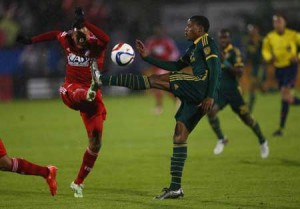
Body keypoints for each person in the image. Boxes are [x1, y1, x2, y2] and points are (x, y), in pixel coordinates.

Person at [92, 15, 221, 199]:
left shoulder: (207, 41)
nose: (186, 29)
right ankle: (175, 188)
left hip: (200, 87)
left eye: (189, 26)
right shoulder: (193, 48)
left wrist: (210, 95)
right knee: (179, 134)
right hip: (197, 96)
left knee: (154, 80)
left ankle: (102, 79)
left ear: (200, 29)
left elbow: (215, 67)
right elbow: (176, 65)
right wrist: (148, 58)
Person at [16, 8, 110, 198]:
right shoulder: (66, 38)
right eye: (76, 36)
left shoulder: (95, 44)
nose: (78, 40)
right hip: (71, 89)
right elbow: (53, 34)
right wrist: (31, 40)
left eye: (82, 36)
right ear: (72, 34)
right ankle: (88, 93)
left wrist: (86, 23)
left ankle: (78, 183)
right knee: (77, 92)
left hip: (92, 101)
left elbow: (106, 39)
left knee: (96, 142)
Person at [206, 29, 269, 159]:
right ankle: (221, 139)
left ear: (229, 39)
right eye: (221, 38)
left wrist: (226, 62)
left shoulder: (235, 52)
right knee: (210, 111)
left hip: (234, 92)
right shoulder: (215, 53)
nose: (223, 40)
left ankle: (263, 141)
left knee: (247, 119)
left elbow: (240, 72)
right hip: (221, 93)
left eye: (225, 38)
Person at [262, 14, 300, 137]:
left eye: (280, 21)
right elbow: (265, 50)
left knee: (285, 94)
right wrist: (269, 57)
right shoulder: (269, 37)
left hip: (290, 67)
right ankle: (281, 128)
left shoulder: (293, 35)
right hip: (278, 69)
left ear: (285, 23)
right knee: (286, 99)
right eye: (275, 22)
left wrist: (298, 57)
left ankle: (281, 128)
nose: (277, 24)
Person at [145, 25, 180, 115]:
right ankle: (177, 99)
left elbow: (175, 53)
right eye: (157, 32)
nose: (159, 34)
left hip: (165, 66)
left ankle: (159, 107)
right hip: (156, 67)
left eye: (160, 32)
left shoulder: (168, 42)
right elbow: (146, 53)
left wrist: (170, 61)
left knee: (158, 85)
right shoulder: (151, 42)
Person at [245, 24, 266, 113]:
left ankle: (249, 107)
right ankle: (250, 106)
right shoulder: (249, 42)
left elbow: (265, 52)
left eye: (253, 30)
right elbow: (248, 55)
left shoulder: (261, 41)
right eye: (250, 30)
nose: (252, 32)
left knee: (253, 86)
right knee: (254, 86)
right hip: (253, 66)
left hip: (260, 65)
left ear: (257, 30)